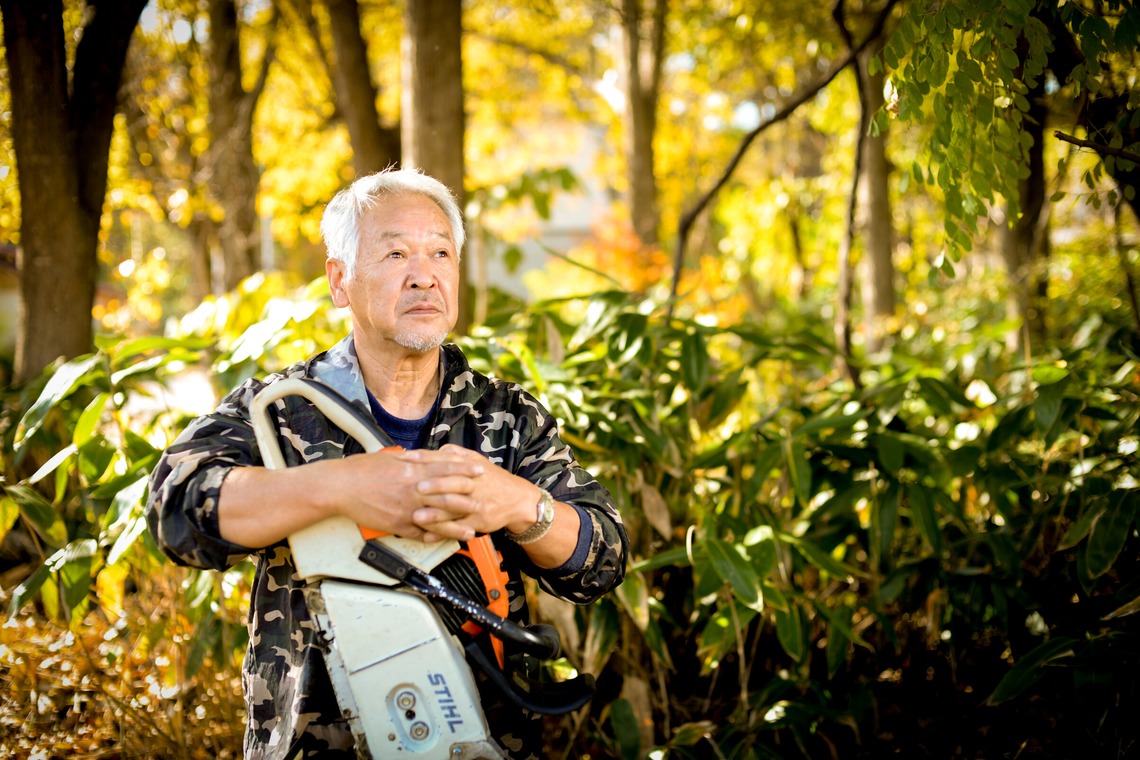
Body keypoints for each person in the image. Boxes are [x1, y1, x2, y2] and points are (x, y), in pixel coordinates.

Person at [145, 168, 628, 759]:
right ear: (340, 281)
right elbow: (175, 507)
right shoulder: (281, 411)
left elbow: (601, 559)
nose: (423, 275)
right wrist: (336, 488)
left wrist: (517, 504)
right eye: (395, 252)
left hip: (482, 745)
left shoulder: (507, 417)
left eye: (440, 253)